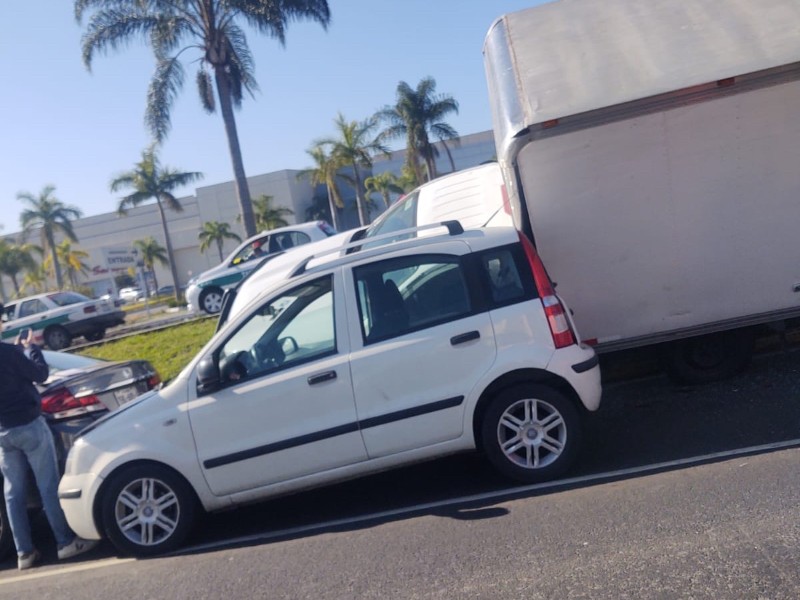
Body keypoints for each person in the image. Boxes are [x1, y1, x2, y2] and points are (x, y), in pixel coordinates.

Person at [0, 322, 98, 570]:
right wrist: (31, 348)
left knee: (13, 494)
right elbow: (40, 374)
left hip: (3, 431)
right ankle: (65, 542)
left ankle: (24, 552)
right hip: (29, 426)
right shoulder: (10, 354)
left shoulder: (10, 354)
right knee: (48, 485)